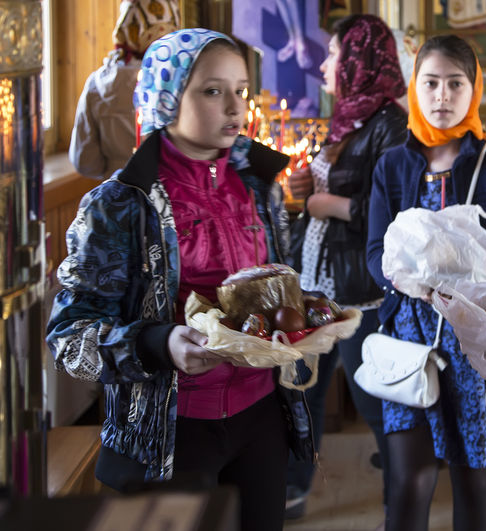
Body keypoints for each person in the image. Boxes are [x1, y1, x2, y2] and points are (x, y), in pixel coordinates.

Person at [47, 29, 313, 531]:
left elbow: (277, 291)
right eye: (212, 91)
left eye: (241, 89)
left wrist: (302, 320)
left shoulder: (260, 187)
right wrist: (160, 343)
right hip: (169, 433)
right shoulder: (121, 204)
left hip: (260, 418)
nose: (235, 106)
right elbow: (69, 338)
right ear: (168, 97)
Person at [366, 35, 486, 531]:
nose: (441, 96)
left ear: (473, 89)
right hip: (410, 337)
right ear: (415, 88)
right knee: (408, 478)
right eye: (430, 83)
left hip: (472, 340)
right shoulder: (393, 165)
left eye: (455, 84)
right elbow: (376, 253)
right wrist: (415, 283)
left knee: (471, 479)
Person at [284, 14, 408, 520]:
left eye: (334, 53)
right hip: (316, 281)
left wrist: (327, 205)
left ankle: (401, 494)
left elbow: (396, 215)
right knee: (300, 385)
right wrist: (304, 193)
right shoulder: (347, 121)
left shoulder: (392, 127)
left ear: (360, 60)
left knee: (371, 394)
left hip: (359, 288)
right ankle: (292, 487)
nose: (325, 62)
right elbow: (328, 187)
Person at [69, 0, 180, 179]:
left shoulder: (97, 83)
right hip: (173, 194)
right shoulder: (182, 78)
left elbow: (85, 161)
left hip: (117, 194)